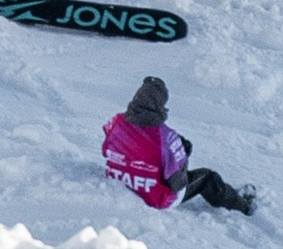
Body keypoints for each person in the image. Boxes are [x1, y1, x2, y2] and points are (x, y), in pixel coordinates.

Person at [102, 73, 255, 215]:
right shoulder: (166, 138)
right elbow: (178, 184)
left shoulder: (116, 122)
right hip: (156, 199)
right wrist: (182, 155)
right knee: (208, 178)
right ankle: (244, 206)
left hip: (121, 186)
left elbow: (107, 150)